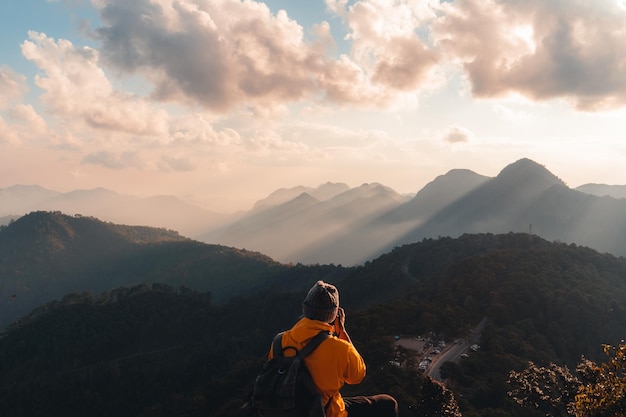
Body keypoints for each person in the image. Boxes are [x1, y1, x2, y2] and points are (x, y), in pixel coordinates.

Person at [268, 280, 398, 417]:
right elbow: (357, 376)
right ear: (334, 314)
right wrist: (342, 331)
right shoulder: (339, 348)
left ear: (305, 309)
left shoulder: (280, 341)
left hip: (284, 410)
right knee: (388, 403)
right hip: (325, 412)